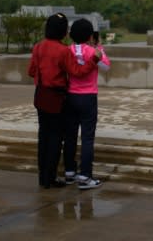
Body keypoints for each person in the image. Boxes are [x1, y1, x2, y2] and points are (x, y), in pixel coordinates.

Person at [27, 12, 99, 189]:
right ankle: (50, 178)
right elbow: (78, 72)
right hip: (57, 97)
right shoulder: (62, 51)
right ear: (63, 32)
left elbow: (31, 71)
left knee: (43, 136)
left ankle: (42, 178)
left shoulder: (38, 47)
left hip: (40, 95)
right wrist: (94, 60)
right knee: (55, 138)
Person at [63, 18, 110, 190]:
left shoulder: (67, 51)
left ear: (71, 35)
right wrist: (100, 48)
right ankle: (85, 176)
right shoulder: (93, 51)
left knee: (70, 135)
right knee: (87, 138)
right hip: (88, 97)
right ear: (91, 35)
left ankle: (69, 172)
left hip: (70, 97)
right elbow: (106, 67)